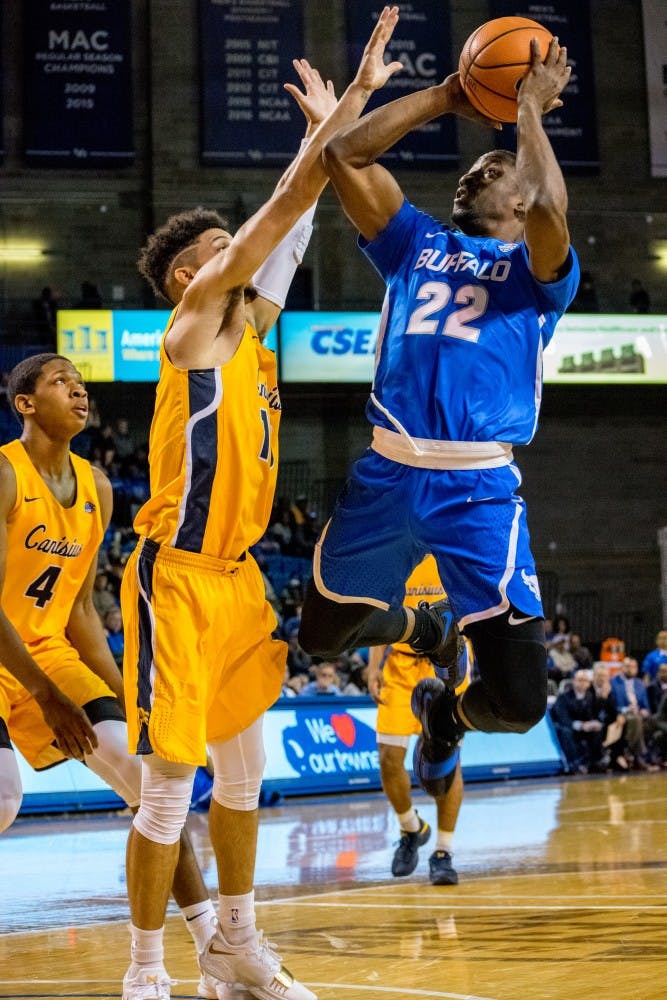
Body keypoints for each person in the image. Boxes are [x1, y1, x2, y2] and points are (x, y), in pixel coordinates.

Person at [118, 11, 404, 1000]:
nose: (247, 253)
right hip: (176, 583)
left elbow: (298, 219)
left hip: (240, 584)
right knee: (166, 791)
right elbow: (280, 214)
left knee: (242, 785)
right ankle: (147, 970)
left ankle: (235, 948)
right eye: (222, 245)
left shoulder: (257, 330)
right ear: (195, 274)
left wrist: (344, 118)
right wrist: (332, 129)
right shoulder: (194, 325)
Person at [298, 33, 579, 799]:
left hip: (476, 492)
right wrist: (451, 95)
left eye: (491, 168)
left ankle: (445, 712)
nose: (472, 172)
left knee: (520, 705)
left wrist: (524, 106)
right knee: (319, 635)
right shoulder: (412, 242)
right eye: (471, 166)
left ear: (517, 198)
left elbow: (551, 201)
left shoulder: (538, 275)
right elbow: (344, 158)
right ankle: (425, 632)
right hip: (387, 472)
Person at [0, 354, 219, 976]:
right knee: (3, 796)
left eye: (82, 385)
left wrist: (132, 702)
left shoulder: (95, 486)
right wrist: (46, 697)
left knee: (151, 786)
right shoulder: (3, 474)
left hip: (47, 652)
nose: (79, 391)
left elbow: (84, 613)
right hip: (6, 655)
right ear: (25, 403)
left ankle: (212, 944)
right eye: (61, 382)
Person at [368, 556, 469, 884]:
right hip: (400, 665)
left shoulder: (455, 551)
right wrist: (373, 665)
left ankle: (443, 851)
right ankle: (412, 827)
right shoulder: (399, 551)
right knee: (388, 758)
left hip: (446, 665)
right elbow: (381, 612)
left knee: (447, 762)